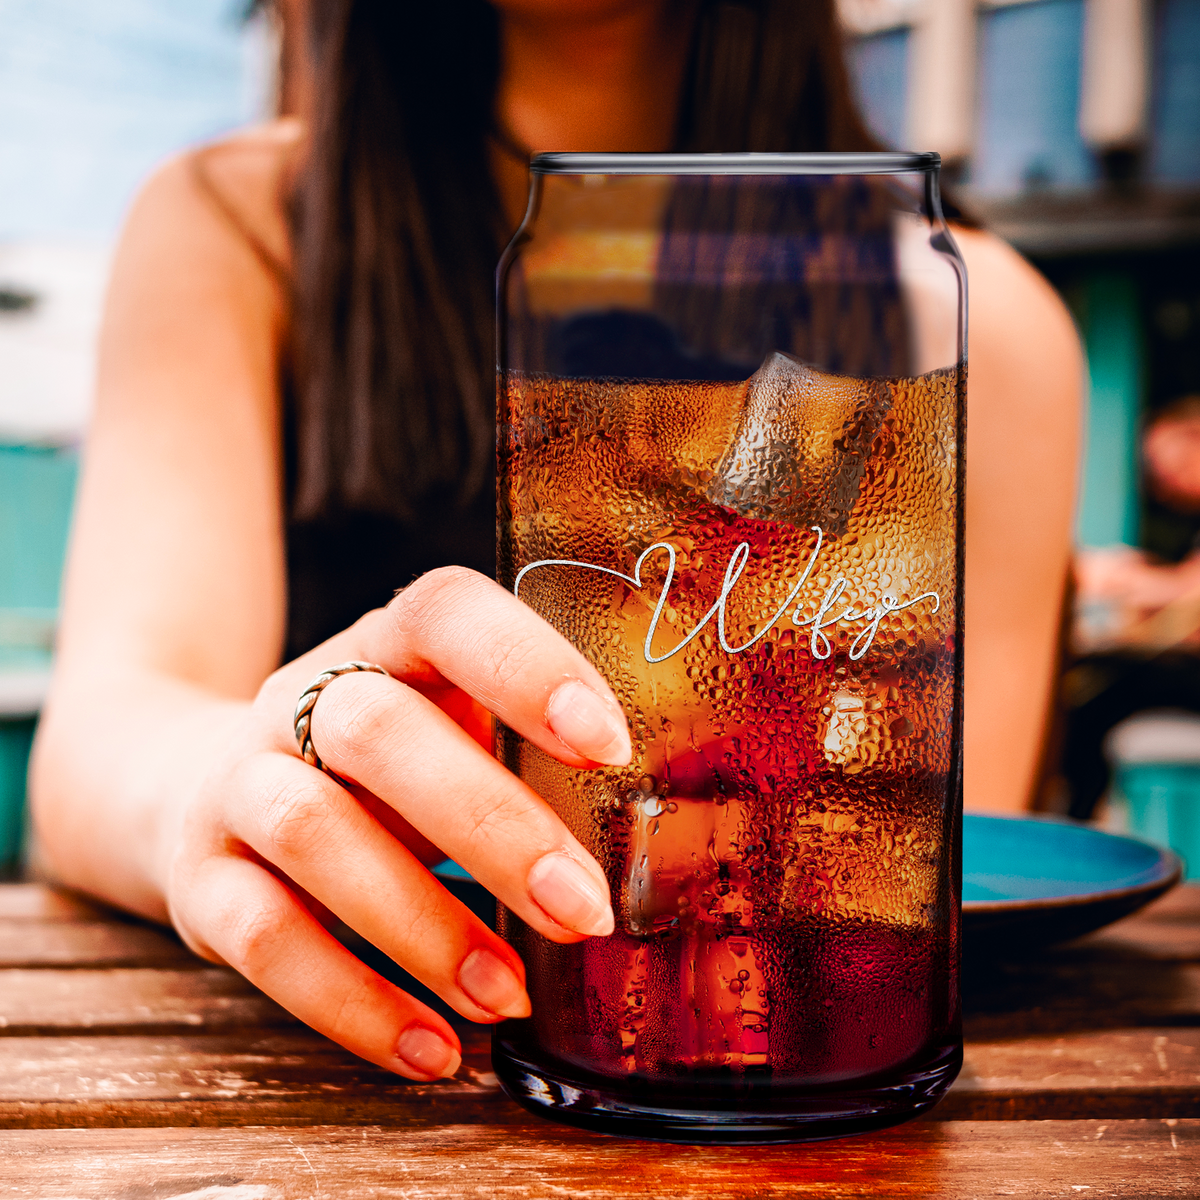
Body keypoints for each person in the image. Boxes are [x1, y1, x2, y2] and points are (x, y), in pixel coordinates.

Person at [29, 0, 1082, 1082]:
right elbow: (112, 727)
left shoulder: (968, 324)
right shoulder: (240, 226)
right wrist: (232, 786)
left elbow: (913, 889)